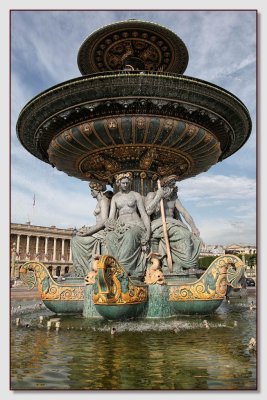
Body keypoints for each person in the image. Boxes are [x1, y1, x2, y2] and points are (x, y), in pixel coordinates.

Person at [145, 175, 202, 273]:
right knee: (183, 234)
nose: (171, 190)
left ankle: (183, 263)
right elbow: (148, 211)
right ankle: (185, 263)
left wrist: (194, 227)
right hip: (158, 223)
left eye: (173, 187)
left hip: (172, 223)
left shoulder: (173, 199)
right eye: (169, 186)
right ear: (163, 186)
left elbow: (184, 212)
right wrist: (158, 196)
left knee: (191, 236)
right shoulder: (152, 195)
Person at [104, 172, 151, 276]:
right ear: (118, 183)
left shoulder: (135, 195)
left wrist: (148, 231)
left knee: (130, 235)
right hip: (120, 225)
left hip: (135, 224)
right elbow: (111, 217)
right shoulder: (115, 198)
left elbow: (143, 214)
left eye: (127, 183)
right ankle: (114, 265)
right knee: (110, 237)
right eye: (123, 183)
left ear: (129, 182)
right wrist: (108, 225)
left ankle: (124, 268)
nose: (125, 185)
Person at [71, 181, 112, 277]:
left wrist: (87, 232)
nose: (91, 192)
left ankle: (83, 270)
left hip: (102, 232)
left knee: (76, 240)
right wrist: (87, 229)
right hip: (98, 230)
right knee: (76, 238)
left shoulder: (103, 201)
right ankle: (82, 269)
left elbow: (103, 222)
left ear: (97, 190)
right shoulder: (100, 202)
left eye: (92, 190)